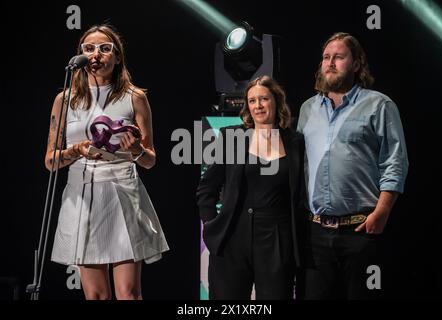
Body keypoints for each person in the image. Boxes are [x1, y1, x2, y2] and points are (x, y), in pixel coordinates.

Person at [45, 24, 169, 300]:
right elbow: (51, 161)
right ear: (79, 55)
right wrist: (76, 149)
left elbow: (149, 160)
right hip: (83, 196)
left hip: (121, 192)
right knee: (96, 295)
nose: (96, 54)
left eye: (104, 48)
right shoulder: (65, 100)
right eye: (88, 49)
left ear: (117, 56)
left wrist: (136, 149)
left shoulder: (134, 98)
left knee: (129, 293)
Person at [296, 32, 409, 299]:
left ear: (356, 64)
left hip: (360, 232)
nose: (330, 63)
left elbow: (395, 161)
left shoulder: (379, 105)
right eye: (326, 57)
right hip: (315, 235)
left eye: (339, 57)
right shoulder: (307, 109)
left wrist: (381, 212)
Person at [196, 75, 305, 299]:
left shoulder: (296, 142)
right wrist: (210, 223)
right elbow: (207, 187)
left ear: (276, 101)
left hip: (277, 240)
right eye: (252, 101)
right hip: (232, 236)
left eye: (264, 99)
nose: (258, 105)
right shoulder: (231, 137)